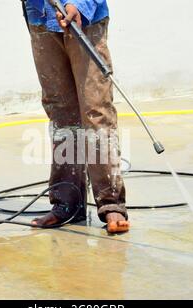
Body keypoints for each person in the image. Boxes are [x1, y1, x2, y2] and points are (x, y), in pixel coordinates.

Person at [24, 0, 129, 233]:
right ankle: (67, 203)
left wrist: (80, 4)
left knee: (95, 110)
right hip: (39, 17)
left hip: (84, 19)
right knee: (62, 113)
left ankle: (111, 203)